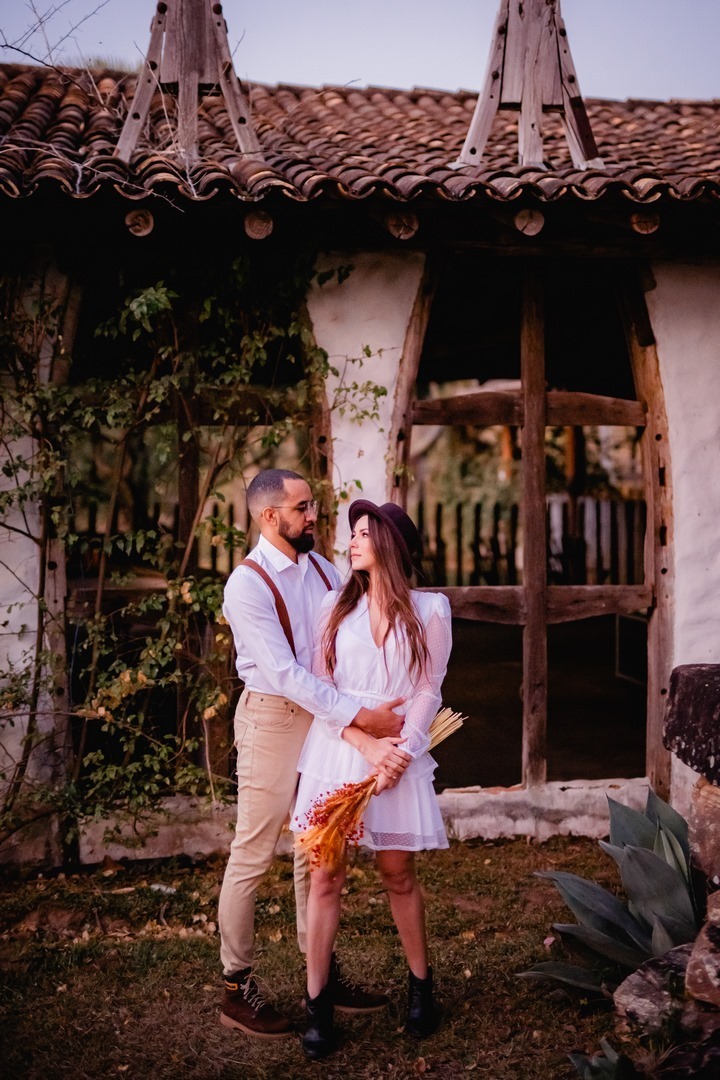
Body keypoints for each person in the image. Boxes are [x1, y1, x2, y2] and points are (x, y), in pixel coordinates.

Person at [218, 469, 406, 1040]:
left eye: (313, 507)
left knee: (316, 845)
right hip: (275, 718)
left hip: (326, 719)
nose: (314, 517)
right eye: (302, 508)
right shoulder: (246, 586)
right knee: (254, 848)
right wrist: (360, 717)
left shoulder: (325, 568)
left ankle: (318, 976)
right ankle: (235, 984)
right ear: (268, 516)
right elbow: (284, 674)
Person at [291, 500, 452, 1059]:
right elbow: (320, 686)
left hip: (399, 755)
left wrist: (402, 754)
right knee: (325, 876)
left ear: (390, 545)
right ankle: (317, 1005)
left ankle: (421, 989)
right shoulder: (334, 606)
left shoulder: (431, 609)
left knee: (397, 874)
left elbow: (430, 688)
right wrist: (366, 744)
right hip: (339, 748)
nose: (351, 542)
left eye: (362, 534)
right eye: (352, 533)